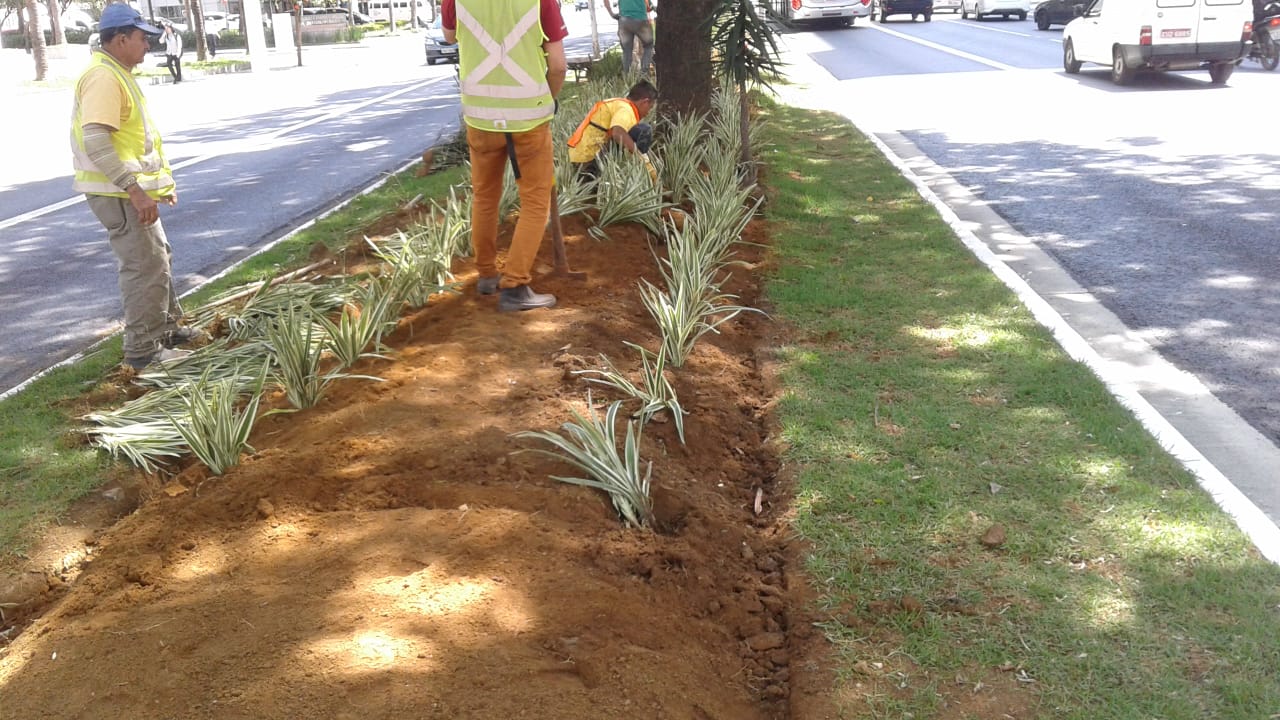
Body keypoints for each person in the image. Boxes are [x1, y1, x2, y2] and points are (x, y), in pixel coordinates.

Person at [71, 3, 201, 370]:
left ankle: (168, 330)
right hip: (118, 194)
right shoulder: (103, 78)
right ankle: (144, 352)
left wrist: (156, 186)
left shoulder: (117, 72)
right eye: (143, 38)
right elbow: (97, 141)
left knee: (158, 257)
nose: (149, 45)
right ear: (121, 38)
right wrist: (135, 189)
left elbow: (134, 142)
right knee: (144, 267)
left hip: (125, 192)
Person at [442, 0, 568, 312]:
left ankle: (486, 274)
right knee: (535, 201)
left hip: (481, 119)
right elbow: (558, 66)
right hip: (529, 121)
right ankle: (515, 285)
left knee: (485, 197)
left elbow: (448, 36)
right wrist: (547, 101)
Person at [567, 79, 657, 181]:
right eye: (650, 107)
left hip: (580, 155)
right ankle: (637, 174)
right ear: (645, 102)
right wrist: (642, 159)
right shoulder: (626, 110)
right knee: (643, 130)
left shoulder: (620, 104)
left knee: (633, 135)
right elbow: (618, 133)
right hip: (588, 160)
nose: (649, 112)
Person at [603, 0, 653, 76]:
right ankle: (644, 74)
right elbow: (648, 5)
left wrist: (611, 13)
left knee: (627, 51)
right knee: (648, 45)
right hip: (641, 19)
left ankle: (627, 78)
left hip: (624, 20)